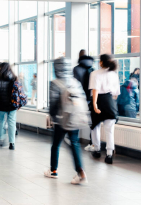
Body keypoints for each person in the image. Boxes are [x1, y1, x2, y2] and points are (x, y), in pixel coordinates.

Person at [44, 57, 88, 185]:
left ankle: (53, 170)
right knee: (74, 143)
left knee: (56, 145)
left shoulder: (55, 83)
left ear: (56, 68)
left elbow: (53, 103)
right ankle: (80, 172)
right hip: (75, 118)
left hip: (61, 120)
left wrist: (53, 117)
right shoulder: (75, 82)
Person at [89, 54, 120, 164]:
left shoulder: (94, 74)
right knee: (110, 130)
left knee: (95, 127)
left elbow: (95, 90)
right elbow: (116, 93)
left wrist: (95, 104)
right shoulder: (114, 74)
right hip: (110, 102)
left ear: (101, 62)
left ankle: (97, 150)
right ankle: (109, 155)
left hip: (98, 101)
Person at [0, 63, 18, 150]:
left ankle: (1, 137)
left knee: (0, 121)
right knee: (12, 123)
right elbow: (18, 92)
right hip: (12, 105)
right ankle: (12, 143)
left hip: (1, 105)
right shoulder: (14, 78)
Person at [72, 49, 95, 151]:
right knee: (93, 122)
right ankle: (92, 143)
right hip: (91, 99)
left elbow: (74, 85)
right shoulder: (93, 69)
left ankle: (74, 140)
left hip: (79, 99)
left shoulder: (76, 69)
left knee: (75, 119)